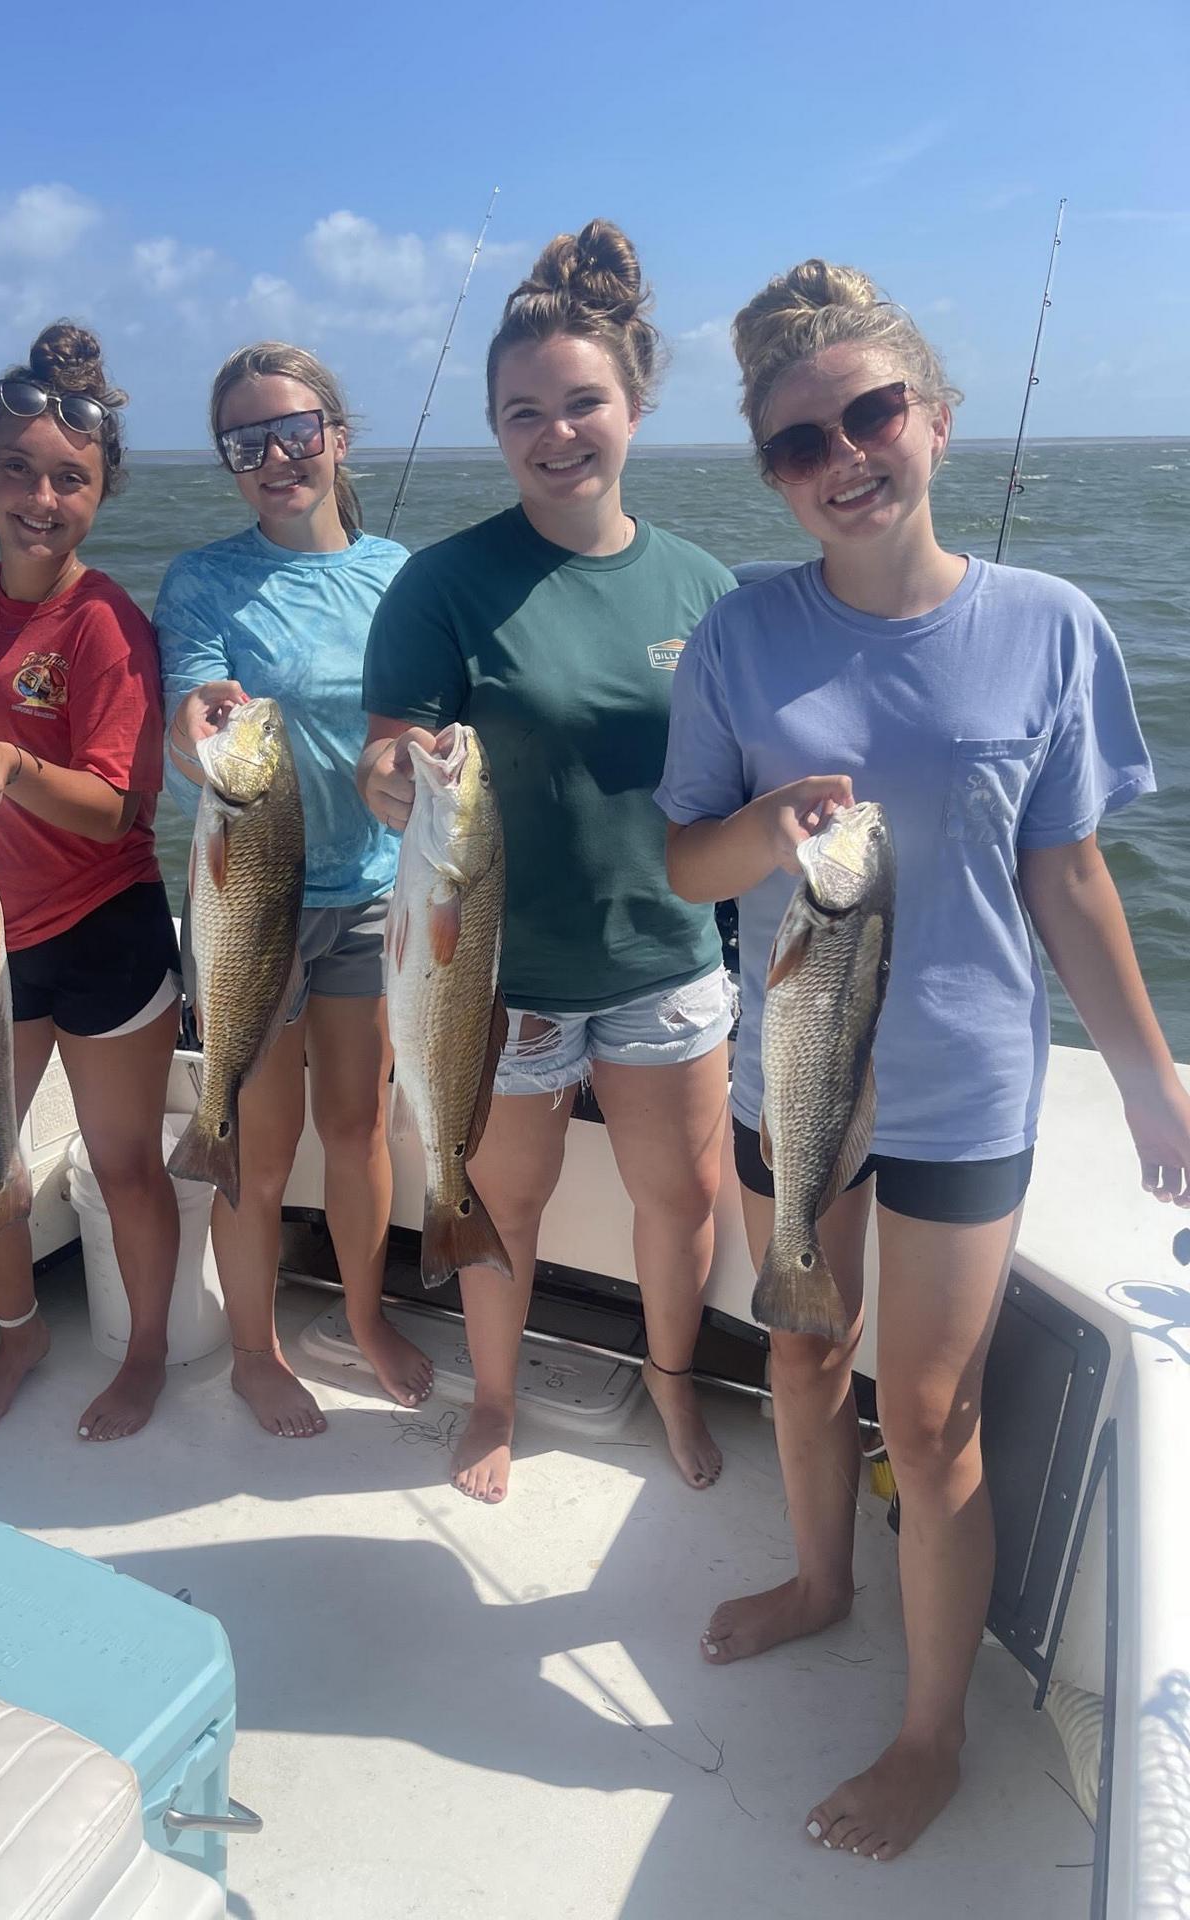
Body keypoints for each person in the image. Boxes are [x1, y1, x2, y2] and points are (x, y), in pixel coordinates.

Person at [657, 258, 1190, 1862]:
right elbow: (685, 864)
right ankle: (824, 1583)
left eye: (872, 414)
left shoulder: (1050, 627)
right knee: (806, 1353)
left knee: (937, 1414)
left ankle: (934, 1731)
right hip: (794, 1082)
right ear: (771, 471)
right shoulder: (739, 638)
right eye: (795, 443)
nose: (842, 457)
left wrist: (1154, 1078)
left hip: (967, 1084)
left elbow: (1069, 874)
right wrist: (762, 827)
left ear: (938, 425)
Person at [359, 221, 739, 1505]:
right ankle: (500, 1403)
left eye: (585, 402)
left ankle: (675, 1388)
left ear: (635, 406)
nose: (557, 431)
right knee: (495, 1199)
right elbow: (385, 758)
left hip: (666, 954)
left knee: (680, 1200)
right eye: (525, 411)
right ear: (495, 425)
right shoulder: (443, 583)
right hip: (495, 975)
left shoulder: (704, 588)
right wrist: (398, 774)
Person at [155, 342, 430, 1439]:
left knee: (358, 1126)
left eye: (294, 431)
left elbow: (420, 717)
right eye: (246, 442)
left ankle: (364, 1319)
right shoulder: (203, 580)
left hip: (374, 894)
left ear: (336, 438)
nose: (274, 456)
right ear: (227, 460)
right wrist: (195, 730)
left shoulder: (400, 575)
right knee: (251, 1143)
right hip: (249, 902)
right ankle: (258, 1352)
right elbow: (186, 723)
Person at [0, 321, 182, 1442]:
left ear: (101, 491)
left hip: (108, 929)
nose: (41, 495)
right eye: (18, 470)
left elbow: (120, 806)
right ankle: (21, 1326)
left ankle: (146, 1353)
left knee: (126, 1165)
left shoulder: (108, 624)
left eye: (69, 478)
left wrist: (22, 768)